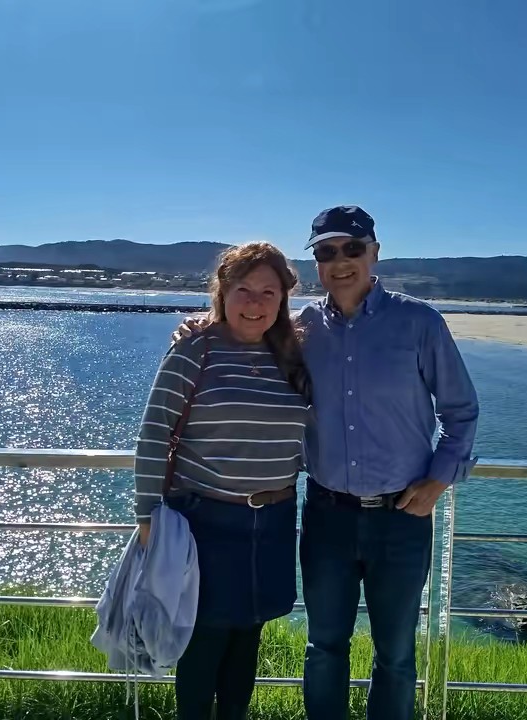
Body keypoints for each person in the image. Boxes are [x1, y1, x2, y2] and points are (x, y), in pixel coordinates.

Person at [176, 205, 479, 720]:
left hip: (402, 518)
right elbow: (246, 338)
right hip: (326, 515)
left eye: (352, 248)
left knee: (396, 655)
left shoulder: (420, 323)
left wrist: (438, 481)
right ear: (316, 261)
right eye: (326, 251)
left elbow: (461, 411)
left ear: (374, 253)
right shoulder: (300, 329)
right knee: (324, 648)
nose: (340, 261)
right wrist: (201, 329)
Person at [134, 241, 311, 720]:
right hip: (205, 522)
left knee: (249, 635)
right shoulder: (196, 347)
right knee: (204, 639)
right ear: (222, 292)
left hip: (273, 521)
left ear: (283, 299)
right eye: (243, 290)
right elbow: (154, 433)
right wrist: (146, 518)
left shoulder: (293, 353)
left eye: (268, 292)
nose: (255, 303)